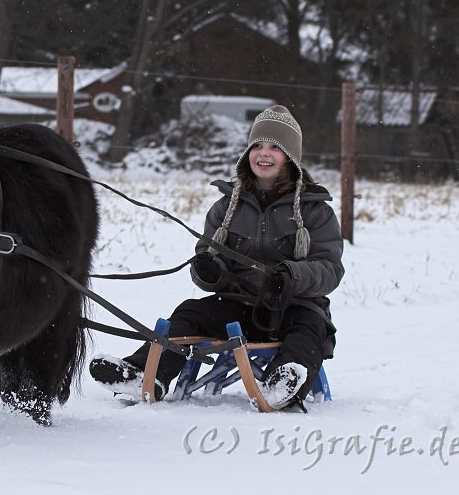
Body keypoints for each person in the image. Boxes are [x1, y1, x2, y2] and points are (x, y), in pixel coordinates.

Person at [89, 105, 344, 411]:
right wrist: (210, 271)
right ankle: (144, 373)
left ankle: (283, 382)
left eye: (275, 147)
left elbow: (330, 269)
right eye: (257, 146)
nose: (264, 153)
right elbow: (205, 261)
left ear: (290, 157)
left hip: (295, 304)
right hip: (237, 304)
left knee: (307, 329)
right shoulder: (226, 208)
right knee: (188, 313)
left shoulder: (316, 210)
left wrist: (290, 276)